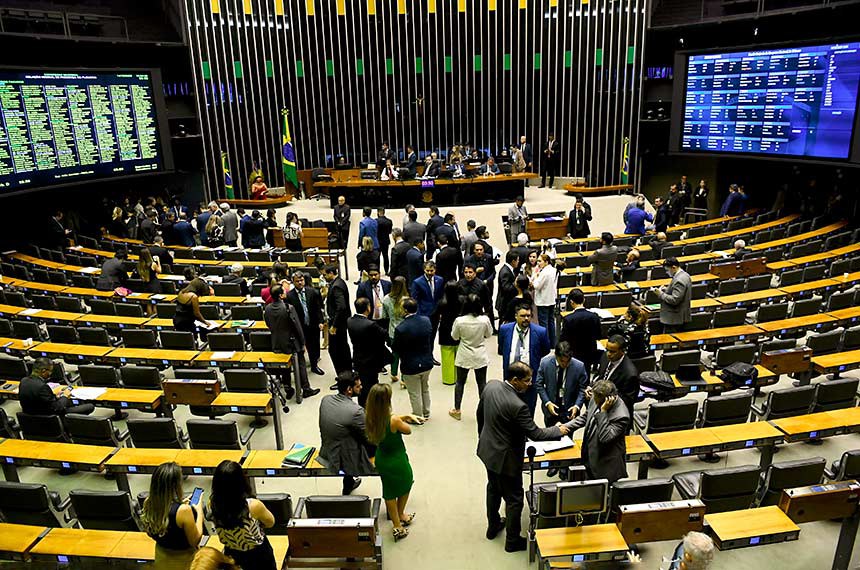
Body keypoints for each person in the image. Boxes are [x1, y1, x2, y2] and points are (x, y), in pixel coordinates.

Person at [477, 361, 570, 552]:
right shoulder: (518, 405)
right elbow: (536, 434)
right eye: (527, 380)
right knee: (514, 499)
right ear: (515, 380)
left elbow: (480, 415)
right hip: (506, 460)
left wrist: (483, 438)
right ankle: (512, 541)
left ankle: (493, 526)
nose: (530, 384)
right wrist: (558, 430)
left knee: (493, 489)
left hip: (488, 451)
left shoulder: (491, 385)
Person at [365, 383, 421, 541]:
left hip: (382, 458)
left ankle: (398, 521)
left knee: (389, 491)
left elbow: (389, 420)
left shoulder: (370, 417)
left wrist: (405, 416)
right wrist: (407, 419)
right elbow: (407, 430)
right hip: (397, 459)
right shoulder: (394, 420)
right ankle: (399, 518)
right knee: (407, 482)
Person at [210, 460, 277, 569]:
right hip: (258, 555)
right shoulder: (253, 506)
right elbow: (270, 522)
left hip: (232, 554)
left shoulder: (212, 505)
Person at [319, 371, 374, 494]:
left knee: (349, 434)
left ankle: (348, 484)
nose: (361, 388)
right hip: (344, 455)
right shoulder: (356, 411)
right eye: (358, 386)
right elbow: (368, 437)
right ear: (349, 389)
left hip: (327, 448)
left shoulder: (325, 400)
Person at [563, 379, 629, 483]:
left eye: (599, 404)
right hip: (589, 455)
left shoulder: (621, 416)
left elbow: (605, 437)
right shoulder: (597, 397)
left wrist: (603, 412)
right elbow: (586, 416)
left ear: (610, 399)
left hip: (605, 465)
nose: (596, 404)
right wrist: (565, 427)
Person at [141, 462, 204, 569]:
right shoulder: (184, 511)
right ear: (176, 485)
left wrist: (179, 504)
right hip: (184, 562)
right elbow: (195, 541)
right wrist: (199, 513)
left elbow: (150, 532)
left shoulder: (148, 502)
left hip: (161, 558)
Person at [265, 285, 319, 401]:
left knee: (284, 367)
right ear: (280, 295)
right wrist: (303, 342)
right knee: (300, 364)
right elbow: (297, 327)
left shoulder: (268, 308)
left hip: (277, 342)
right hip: (292, 342)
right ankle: (306, 389)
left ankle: (288, 389)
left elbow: (268, 324)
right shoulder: (288, 308)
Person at [498, 303, 551, 415]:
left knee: (528, 410)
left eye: (528, 316)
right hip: (510, 379)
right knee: (508, 409)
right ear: (516, 316)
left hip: (529, 381)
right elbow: (502, 349)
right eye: (522, 316)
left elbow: (545, 351)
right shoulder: (504, 329)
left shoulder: (541, 332)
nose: (526, 319)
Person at [449, 294, 492, 420]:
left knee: (460, 383)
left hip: (464, 354)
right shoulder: (484, 320)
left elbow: (454, 336)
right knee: (482, 383)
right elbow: (489, 335)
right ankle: (484, 411)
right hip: (480, 354)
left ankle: (457, 410)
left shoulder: (459, 321)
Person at [392, 298, 434, 420]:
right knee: (425, 388)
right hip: (426, 362)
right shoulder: (426, 321)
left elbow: (396, 347)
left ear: (405, 310)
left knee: (414, 393)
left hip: (410, 365)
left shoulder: (401, 328)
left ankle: (417, 416)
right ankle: (426, 412)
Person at [348, 297, 391, 407]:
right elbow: (383, 335)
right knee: (372, 386)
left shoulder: (350, 321)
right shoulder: (370, 325)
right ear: (368, 308)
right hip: (371, 361)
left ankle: (362, 406)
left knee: (361, 386)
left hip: (358, 359)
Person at [535, 341, 589, 431]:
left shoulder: (579, 366)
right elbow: (539, 384)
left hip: (569, 410)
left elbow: (583, 388)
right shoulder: (545, 363)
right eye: (562, 361)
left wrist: (577, 405)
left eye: (568, 361)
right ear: (556, 356)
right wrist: (547, 402)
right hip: (550, 408)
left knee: (568, 439)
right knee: (550, 436)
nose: (565, 364)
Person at [19, 357, 95, 417]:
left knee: (67, 401)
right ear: (43, 371)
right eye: (50, 371)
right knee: (89, 406)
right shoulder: (42, 387)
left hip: (30, 417)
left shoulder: (23, 381)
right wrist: (65, 395)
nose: (51, 373)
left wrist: (55, 396)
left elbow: (40, 399)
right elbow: (57, 408)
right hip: (50, 417)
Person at [286, 271, 325, 375]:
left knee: (315, 344)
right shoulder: (289, 296)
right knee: (305, 345)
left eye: (301, 280)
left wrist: (321, 321)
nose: (300, 283)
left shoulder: (313, 292)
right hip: (300, 325)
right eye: (297, 281)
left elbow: (318, 308)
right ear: (293, 282)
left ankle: (314, 363)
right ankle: (308, 365)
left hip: (313, 323)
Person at [594, 335, 640, 422]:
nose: (608, 354)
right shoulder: (605, 357)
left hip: (617, 418)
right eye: (607, 350)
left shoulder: (630, 374)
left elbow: (628, 401)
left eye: (612, 351)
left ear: (622, 351)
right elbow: (600, 375)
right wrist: (592, 386)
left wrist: (605, 400)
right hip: (600, 409)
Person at [560, 288, 602, 371]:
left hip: (573, 355)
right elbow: (598, 335)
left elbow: (563, 340)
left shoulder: (568, 319)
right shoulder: (594, 316)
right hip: (590, 353)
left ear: (571, 302)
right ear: (584, 300)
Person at [410, 260, 444, 349]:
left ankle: (430, 356)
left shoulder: (440, 280)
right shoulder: (417, 282)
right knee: (424, 337)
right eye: (427, 271)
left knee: (432, 336)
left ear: (435, 270)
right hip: (423, 314)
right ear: (424, 270)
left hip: (436, 314)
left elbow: (440, 296)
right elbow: (415, 299)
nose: (429, 273)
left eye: (431, 271)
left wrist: (440, 311)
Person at [324, 265, 352, 373]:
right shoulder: (339, 281)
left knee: (336, 351)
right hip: (341, 322)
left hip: (338, 324)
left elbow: (341, 307)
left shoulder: (336, 286)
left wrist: (334, 326)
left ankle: (342, 375)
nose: (324, 277)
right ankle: (346, 372)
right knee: (343, 347)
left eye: (325, 274)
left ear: (331, 273)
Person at [382, 276, 409, 386]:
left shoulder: (386, 299)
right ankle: (404, 378)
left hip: (392, 331)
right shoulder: (406, 300)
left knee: (395, 353)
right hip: (405, 331)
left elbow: (384, 316)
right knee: (405, 356)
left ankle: (393, 374)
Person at [435, 281, 462, 387]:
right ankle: (459, 377)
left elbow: (436, 314)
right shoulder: (462, 300)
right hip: (459, 330)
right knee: (458, 355)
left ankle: (449, 378)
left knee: (447, 356)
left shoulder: (442, 302)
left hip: (445, 331)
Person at [657, 257, 692, 333]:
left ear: (673, 267)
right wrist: (667, 290)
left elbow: (675, 300)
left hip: (674, 318)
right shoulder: (685, 275)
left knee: (669, 342)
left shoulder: (679, 280)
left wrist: (660, 294)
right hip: (678, 316)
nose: (666, 272)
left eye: (667, 270)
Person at [457, 262, 494, 330]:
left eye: (470, 272)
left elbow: (487, 302)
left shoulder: (481, 285)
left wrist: (486, 316)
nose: (468, 275)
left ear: (475, 273)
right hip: (463, 315)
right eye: (466, 272)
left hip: (477, 315)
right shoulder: (459, 284)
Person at [531, 253, 558, 346]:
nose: (538, 263)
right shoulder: (553, 270)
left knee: (544, 323)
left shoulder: (544, 273)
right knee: (551, 322)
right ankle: (552, 343)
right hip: (551, 299)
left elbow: (536, 286)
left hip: (543, 300)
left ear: (546, 262)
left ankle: (545, 343)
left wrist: (535, 276)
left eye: (540, 261)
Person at [495, 251, 520, 321]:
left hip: (507, 303)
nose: (518, 262)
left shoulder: (509, 269)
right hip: (504, 304)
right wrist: (516, 283)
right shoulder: (505, 272)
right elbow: (506, 288)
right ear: (513, 261)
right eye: (517, 260)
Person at [376, 208, 393, 273]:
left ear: (378, 212)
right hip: (386, 241)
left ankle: (378, 270)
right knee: (385, 256)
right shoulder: (389, 221)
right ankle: (386, 271)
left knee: (377, 257)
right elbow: (389, 232)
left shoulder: (376, 221)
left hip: (378, 241)